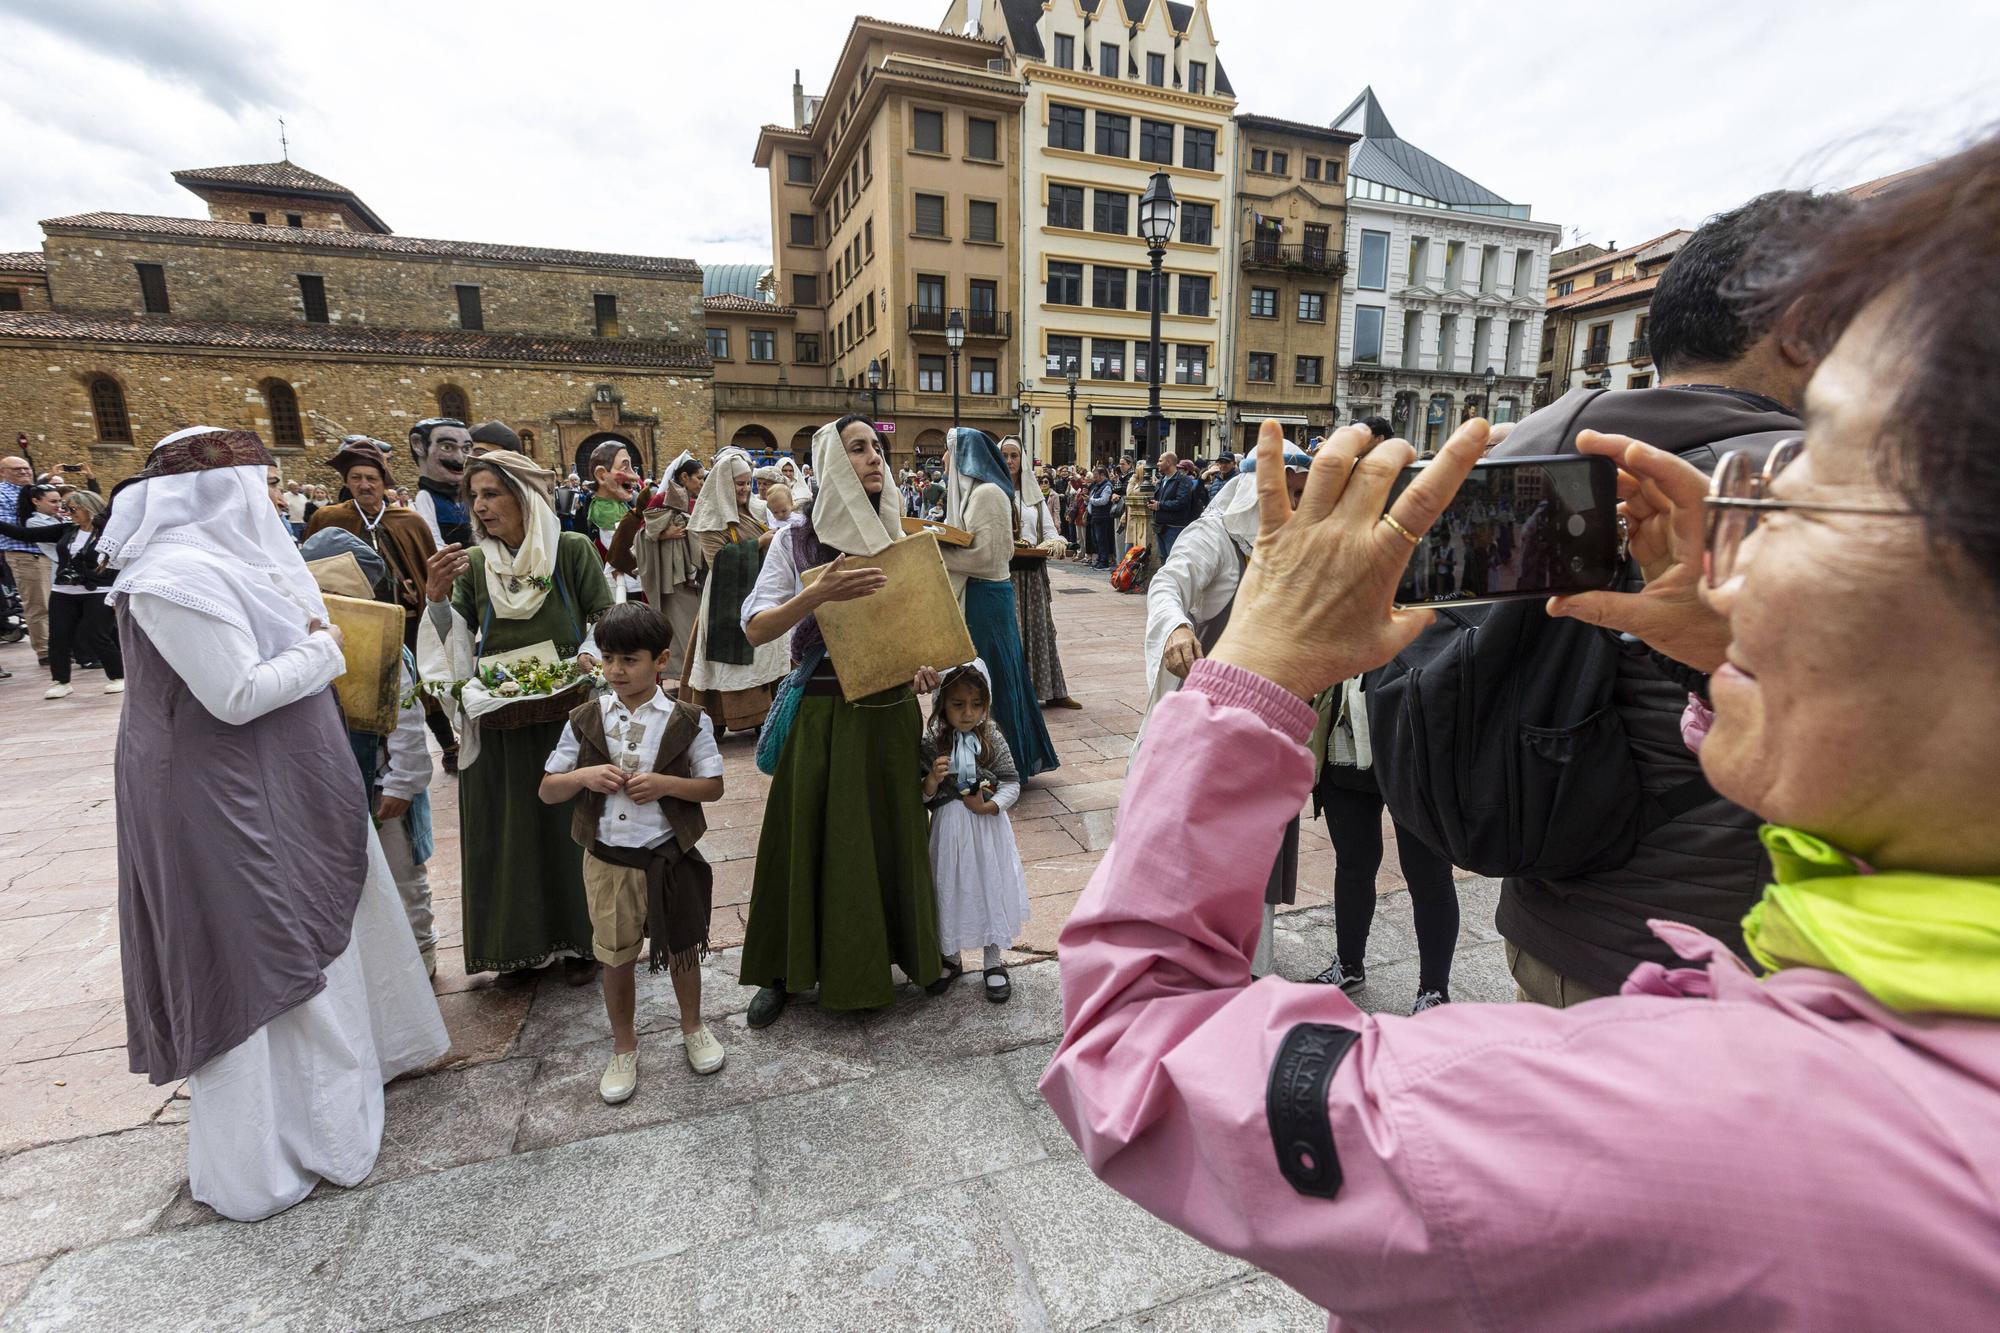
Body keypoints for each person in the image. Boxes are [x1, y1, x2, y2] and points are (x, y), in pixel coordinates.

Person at [1042, 135, 2000, 1325]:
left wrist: (1257, 669)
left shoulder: (1677, 1132)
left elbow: (1135, 1051)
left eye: (1788, 495)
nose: (1729, 563)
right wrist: (1755, 665)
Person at [1376, 189, 1852, 1007]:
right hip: (1726, 974)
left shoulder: (1527, 445)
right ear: (1806, 327)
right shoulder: (1822, 483)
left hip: (1551, 933)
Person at [103, 425, 446, 1222]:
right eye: (254, 484)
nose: (266, 499)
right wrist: (328, 651)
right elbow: (234, 693)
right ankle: (284, 1140)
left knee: (311, 923)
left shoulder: (233, 563)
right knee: (261, 944)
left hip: (273, 783)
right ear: (215, 491)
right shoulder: (172, 576)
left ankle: (340, 1090)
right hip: (220, 801)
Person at [736, 415, 943, 1025]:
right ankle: (783, 967)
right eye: (857, 449)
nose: (874, 458)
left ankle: (910, 953)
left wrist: (924, 665)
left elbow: (921, 632)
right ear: (830, 463)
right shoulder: (794, 539)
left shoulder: (900, 536)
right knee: (805, 836)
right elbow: (755, 628)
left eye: (877, 448)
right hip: (823, 713)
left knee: (888, 836)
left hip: (889, 714)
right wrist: (818, 593)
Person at [420, 450, 613, 980]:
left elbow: (605, 618)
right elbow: (452, 637)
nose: (479, 507)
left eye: (491, 494)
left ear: (524, 497)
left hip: (566, 715)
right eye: (474, 497)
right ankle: (518, 946)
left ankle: (583, 942)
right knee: (508, 829)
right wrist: (435, 598)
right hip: (499, 716)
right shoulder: (474, 565)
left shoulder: (570, 551)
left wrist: (592, 652)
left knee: (569, 828)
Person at [540, 602, 727, 1103]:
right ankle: (624, 1046)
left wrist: (666, 784)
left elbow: (712, 787)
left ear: (661, 659)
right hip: (608, 861)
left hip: (668, 855)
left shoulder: (688, 719)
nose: (617, 671)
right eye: (608, 659)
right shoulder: (585, 719)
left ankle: (693, 1027)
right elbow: (548, 789)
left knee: (683, 946)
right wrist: (582, 777)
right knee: (616, 957)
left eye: (630, 659)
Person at [302, 528, 440, 977]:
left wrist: (402, 782)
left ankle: (420, 958)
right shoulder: (300, 645)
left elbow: (406, 720)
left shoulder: (384, 645)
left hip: (380, 781)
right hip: (326, 783)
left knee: (402, 876)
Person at [1306, 674, 1460, 1011]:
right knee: (1352, 864)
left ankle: (1434, 992)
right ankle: (1348, 966)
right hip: (1344, 741)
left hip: (1413, 749)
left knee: (1428, 875)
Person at [939, 428, 1059, 779]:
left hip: (987, 597)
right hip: (982, 595)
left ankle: (1005, 762)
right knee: (985, 676)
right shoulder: (978, 493)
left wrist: (935, 550)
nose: (945, 460)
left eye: (949, 452)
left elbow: (986, 557)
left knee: (992, 678)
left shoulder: (988, 494)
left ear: (965, 457)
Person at [921, 660, 1029, 1003]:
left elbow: (1011, 783)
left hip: (987, 830)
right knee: (951, 887)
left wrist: (990, 805)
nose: (968, 713)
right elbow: (922, 795)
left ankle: (993, 960)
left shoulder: (991, 737)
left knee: (988, 886)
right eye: (958, 704)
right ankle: (951, 957)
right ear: (941, 703)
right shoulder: (932, 741)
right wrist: (933, 779)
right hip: (949, 830)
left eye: (977, 704)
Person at [681, 447, 789, 733]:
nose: (744, 489)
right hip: (725, 598)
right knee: (729, 663)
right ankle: (725, 715)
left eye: (747, 483)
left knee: (765, 653)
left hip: (760, 592)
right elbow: (717, 559)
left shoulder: (755, 510)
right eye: (739, 484)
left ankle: (765, 713)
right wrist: (759, 544)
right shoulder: (712, 517)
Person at [304, 439, 439, 650]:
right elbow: (308, 572)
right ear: (346, 482)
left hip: (404, 619)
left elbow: (428, 570)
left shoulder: (410, 521)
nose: (364, 485)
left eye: (371, 478)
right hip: (347, 621)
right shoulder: (327, 518)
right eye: (356, 478)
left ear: (383, 482)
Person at [3, 485, 122, 698]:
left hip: (98, 590)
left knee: (97, 634)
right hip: (63, 591)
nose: (69, 513)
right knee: (59, 637)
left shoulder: (109, 532)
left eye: (74, 509)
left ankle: (118, 676)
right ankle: (61, 681)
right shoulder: (66, 530)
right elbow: (24, 534)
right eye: (67, 508)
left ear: (89, 509)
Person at [998, 436, 1079, 710]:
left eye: (1014, 456)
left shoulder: (1034, 496)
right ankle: (1016, 696)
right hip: (1005, 573)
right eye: (1005, 456)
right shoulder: (993, 491)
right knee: (1013, 634)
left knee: (1041, 632)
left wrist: (1053, 544)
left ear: (1022, 460)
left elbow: (1051, 533)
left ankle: (1053, 690)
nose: (1009, 461)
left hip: (1032, 573)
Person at [616, 452, 705, 684]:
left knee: (695, 629)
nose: (702, 483)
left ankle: (694, 676)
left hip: (695, 578)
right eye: (698, 478)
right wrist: (664, 534)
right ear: (684, 477)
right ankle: (677, 677)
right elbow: (642, 536)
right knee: (679, 631)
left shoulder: (698, 501)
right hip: (672, 580)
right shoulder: (662, 499)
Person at [1, 453, 51, 664]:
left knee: (56, 602)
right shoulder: (2, 494)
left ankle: (63, 645)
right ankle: (46, 650)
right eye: (17, 469)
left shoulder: (35, 491)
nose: (23, 472)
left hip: (48, 552)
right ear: (3, 473)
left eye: (26, 468)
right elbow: (8, 526)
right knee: (38, 604)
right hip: (25, 553)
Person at [584, 440, 643, 603]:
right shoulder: (605, 510)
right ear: (602, 475)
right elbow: (623, 547)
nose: (635, 476)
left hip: (631, 579)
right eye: (625, 468)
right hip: (622, 582)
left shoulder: (618, 503)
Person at [407, 418, 474, 549]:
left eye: (466, 448)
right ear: (419, 445)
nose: (460, 458)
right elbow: (433, 538)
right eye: (447, 447)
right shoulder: (426, 497)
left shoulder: (466, 496)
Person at [1150, 451, 1203, 561]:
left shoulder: (1183, 480)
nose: (1158, 463)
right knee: (1163, 559)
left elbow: (1182, 502)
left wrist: (1160, 505)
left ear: (1168, 462)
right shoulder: (1162, 480)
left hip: (1174, 527)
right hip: (1160, 527)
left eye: (1160, 461)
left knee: (1174, 560)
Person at [1085, 465, 1118, 569]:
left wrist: (1090, 500)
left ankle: (1104, 562)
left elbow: (1104, 500)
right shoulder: (1097, 485)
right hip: (1095, 516)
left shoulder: (1107, 486)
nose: (1094, 477)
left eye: (1096, 475)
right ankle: (1099, 559)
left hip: (1102, 516)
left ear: (1102, 475)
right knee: (1096, 540)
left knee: (1102, 539)